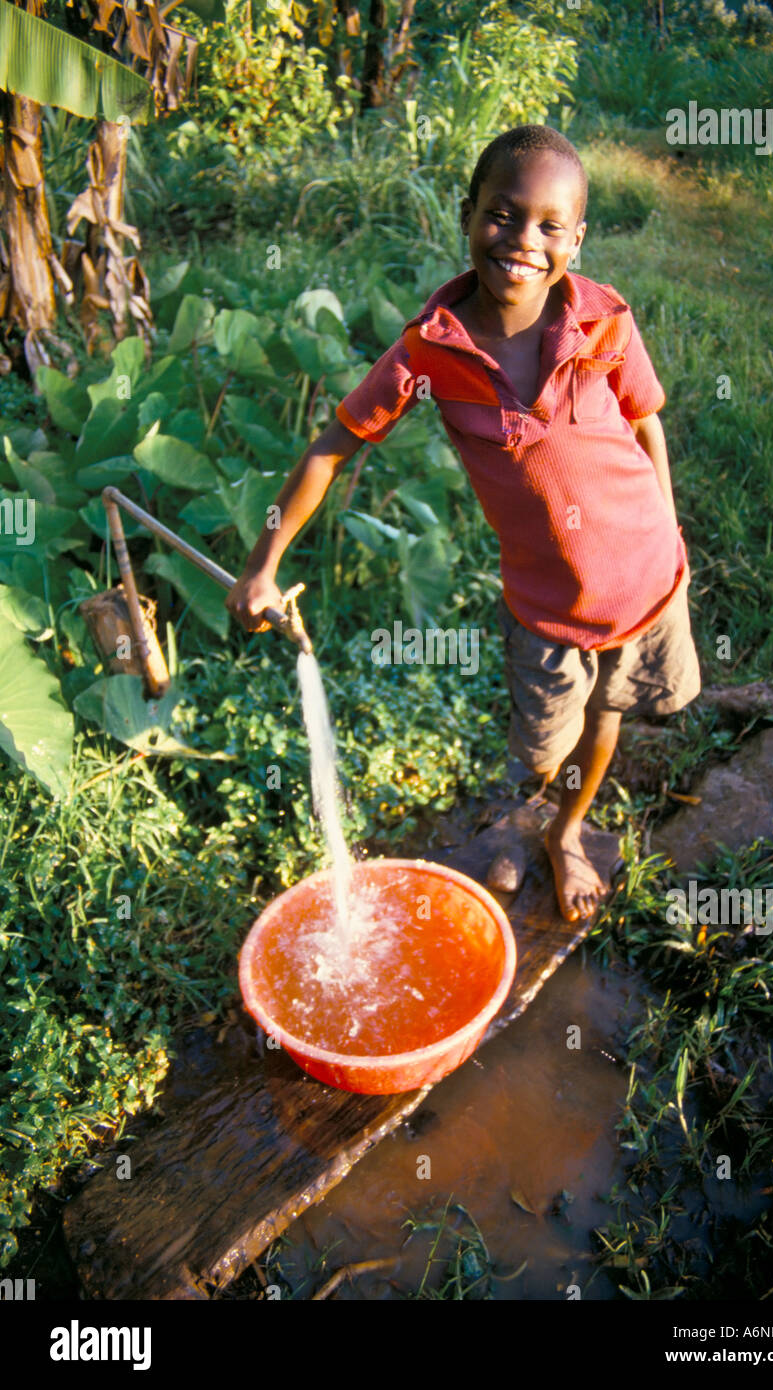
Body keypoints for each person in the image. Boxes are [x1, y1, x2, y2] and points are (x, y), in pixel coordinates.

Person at [226, 124, 701, 923]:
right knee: (542, 743)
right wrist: (263, 564)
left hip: (648, 583)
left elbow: (647, 422)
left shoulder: (605, 321)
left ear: (576, 240)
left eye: (551, 226)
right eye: (502, 214)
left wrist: (670, 525)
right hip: (547, 610)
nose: (523, 241)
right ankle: (526, 817)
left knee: (608, 721)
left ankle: (570, 835)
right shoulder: (430, 354)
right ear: (468, 213)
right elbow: (332, 445)